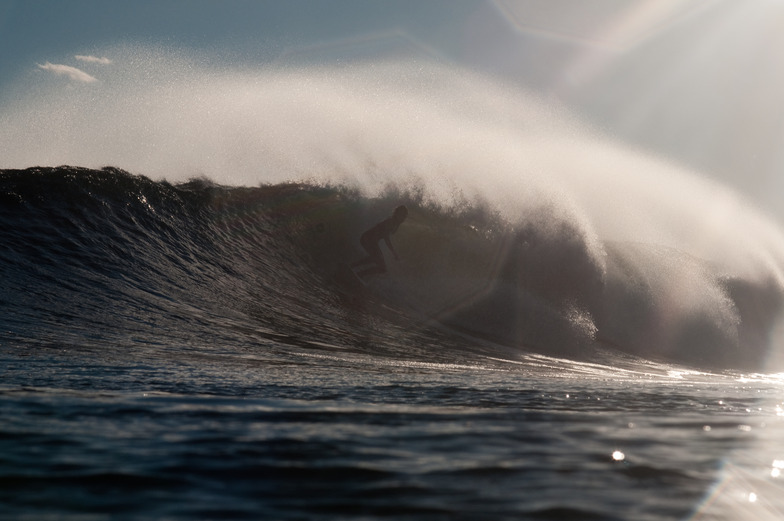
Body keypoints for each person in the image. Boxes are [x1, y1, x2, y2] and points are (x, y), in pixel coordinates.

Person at [351, 205, 408, 277]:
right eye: (403, 215)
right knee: (382, 267)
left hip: (370, 241)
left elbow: (386, 235)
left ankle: (353, 269)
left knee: (376, 260)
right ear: (397, 214)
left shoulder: (395, 224)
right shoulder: (390, 221)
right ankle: (357, 274)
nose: (404, 218)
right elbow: (386, 238)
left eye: (405, 216)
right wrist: (394, 253)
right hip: (367, 239)